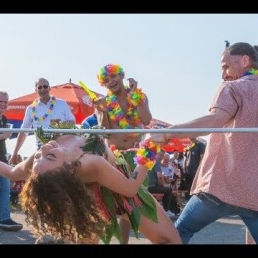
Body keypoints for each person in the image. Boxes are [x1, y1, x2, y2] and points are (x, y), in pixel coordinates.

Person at [145, 42, 258, 244]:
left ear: (244, 61)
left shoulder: (232, 88)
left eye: (226, 66)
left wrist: (169, 133)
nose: (223, 74)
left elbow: (215, 120)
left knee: (178, 233)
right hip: (254, 195)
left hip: (220, 188)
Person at [0, 124, 182, 244]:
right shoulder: (90, 163)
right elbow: (130, 187)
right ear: (68, 169)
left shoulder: (40, 165)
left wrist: (42, 158)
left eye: (39, 156)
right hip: (112, 191)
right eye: (50, 155)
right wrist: (150, 146)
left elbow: (12, 172)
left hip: (101, 185)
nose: (44, 148)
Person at [94, 64, 152, 243]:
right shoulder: (103, 101)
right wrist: (103, 111)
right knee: (108, 201)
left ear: (121, 76)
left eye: (113, 77)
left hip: (136, 155)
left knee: (130, 204)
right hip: (114, 155)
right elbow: (105, 132)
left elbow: (146, 120)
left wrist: (138, 99)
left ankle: (124, 242)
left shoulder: (138, 96)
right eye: (107, 80)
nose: (111, 81)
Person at [9, 77, 75, 164]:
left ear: (49, 88)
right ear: (36, 90)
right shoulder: (30, 108)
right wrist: (15, 153)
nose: (42, 89)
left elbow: (72, 122)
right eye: (39, 87)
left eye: (45, 86)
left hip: (61, 146)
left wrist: (58, 126)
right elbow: (23, 131)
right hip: (41, 148)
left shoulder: (61, 103)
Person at [0, 91, 23, 231]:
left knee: (5, 188)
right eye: (0, 102)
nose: (3, 105)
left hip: (2, 159)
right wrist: (4, 135)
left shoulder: (4, 119)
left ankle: (4, 218)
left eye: (5, 102)